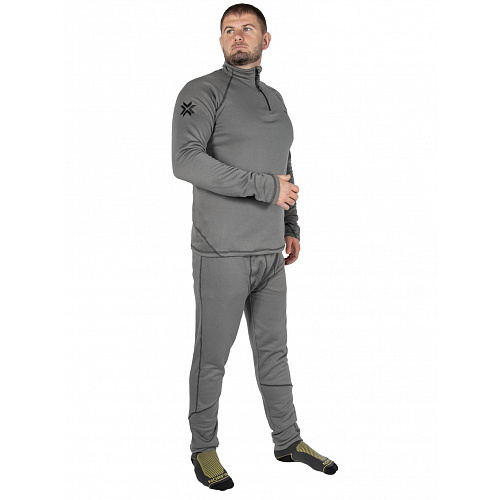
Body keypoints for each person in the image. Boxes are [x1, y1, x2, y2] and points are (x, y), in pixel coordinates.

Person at [171, 3, 338, 490]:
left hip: (269, 254)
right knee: (212, 358)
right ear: (220, 40)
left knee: (274, 354)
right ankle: (203, 448)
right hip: (220, 252)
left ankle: (288, 440)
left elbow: (284, 164)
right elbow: (185, 161)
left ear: (266, 40)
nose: (237, 36)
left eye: (247, 28)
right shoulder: (201, 91)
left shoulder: (275, 99)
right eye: (228, 30)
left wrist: (291, 223)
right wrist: (266, 188)